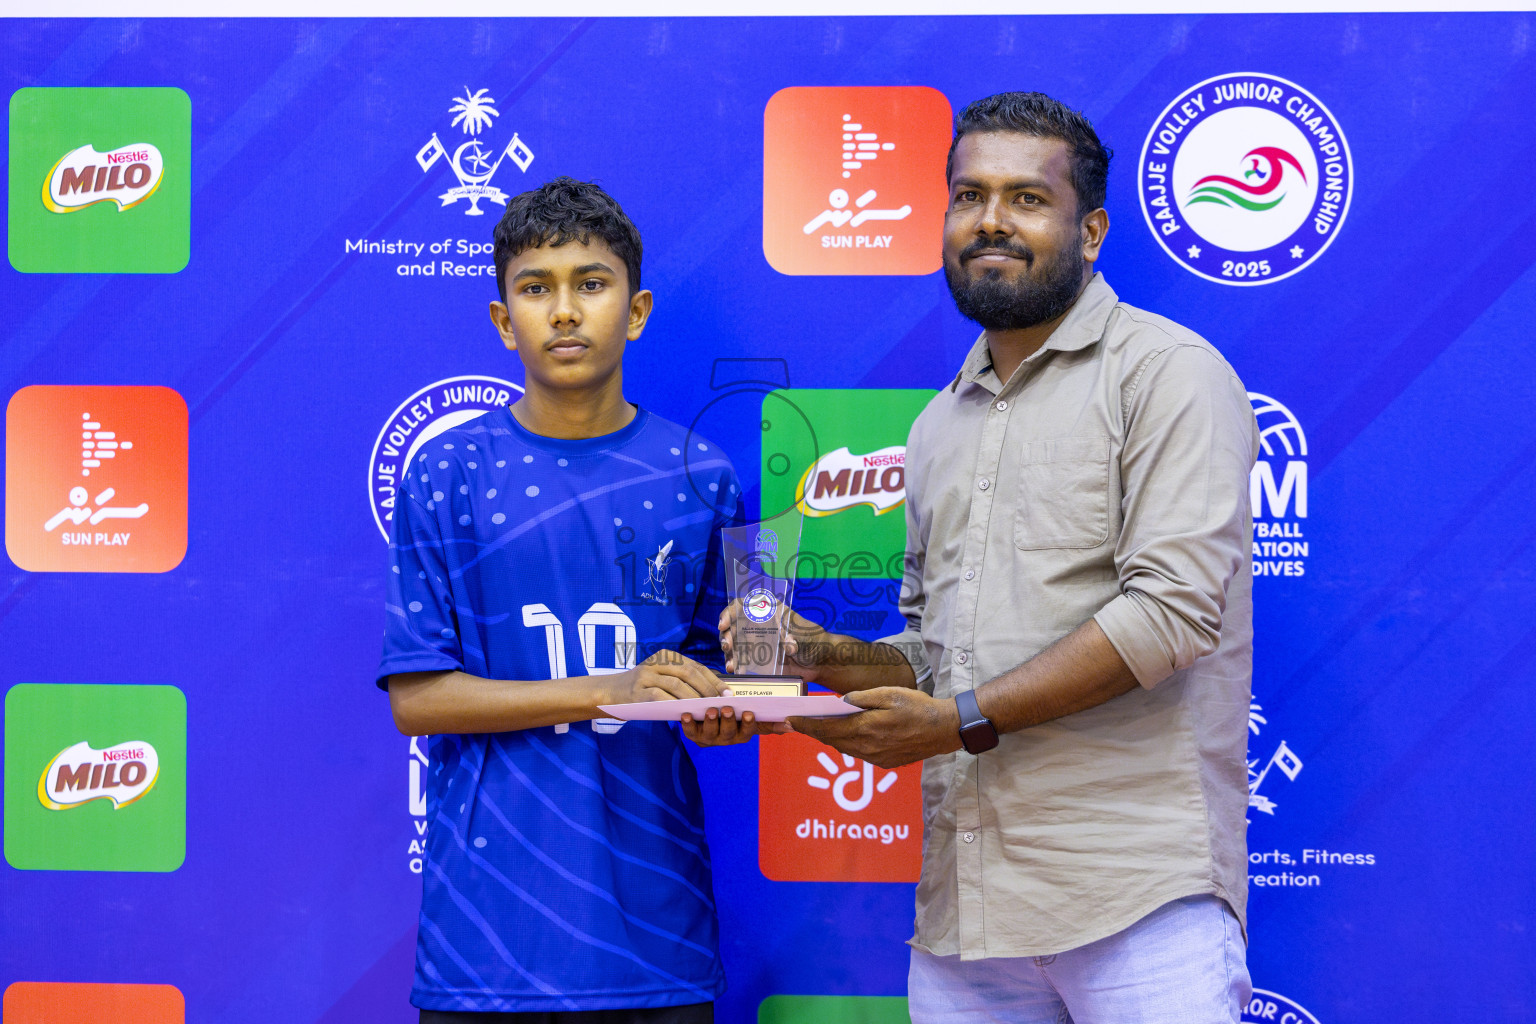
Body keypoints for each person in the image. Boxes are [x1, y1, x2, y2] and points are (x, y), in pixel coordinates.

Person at [725, 93, 1260, 1023]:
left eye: (1025, 199)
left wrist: (959, 721)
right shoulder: (938, 426)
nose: (991, 223)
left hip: (1136, 901)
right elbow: (936, 653)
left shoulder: (1170, 375)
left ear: (1091, 230)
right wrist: (814, 656)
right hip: (967, 912)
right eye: (969, 196)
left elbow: (1169, 616)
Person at [380, 177, 754, 1024]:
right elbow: (418, 699)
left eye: (591, 283)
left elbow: (722, 672)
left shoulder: (704, 474)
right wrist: (611, 689)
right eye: (535, 288)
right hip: (487, 936)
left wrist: (723, 709)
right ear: (502, 320)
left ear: (637, 309)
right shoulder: (444, 474)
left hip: (656, 933)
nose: (564, 311)